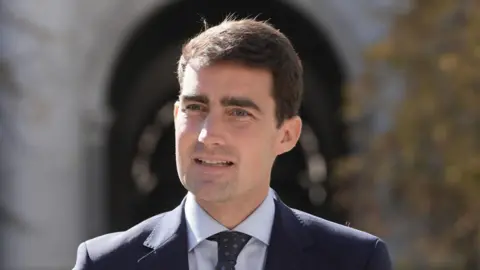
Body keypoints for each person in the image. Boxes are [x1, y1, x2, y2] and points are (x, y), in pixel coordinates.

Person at [73, 17, 392, 270]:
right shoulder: (105, 264)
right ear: (175, 114)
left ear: (287, 135)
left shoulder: (354, 261)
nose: (207, 135)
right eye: (195, 108)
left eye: (238, 112)